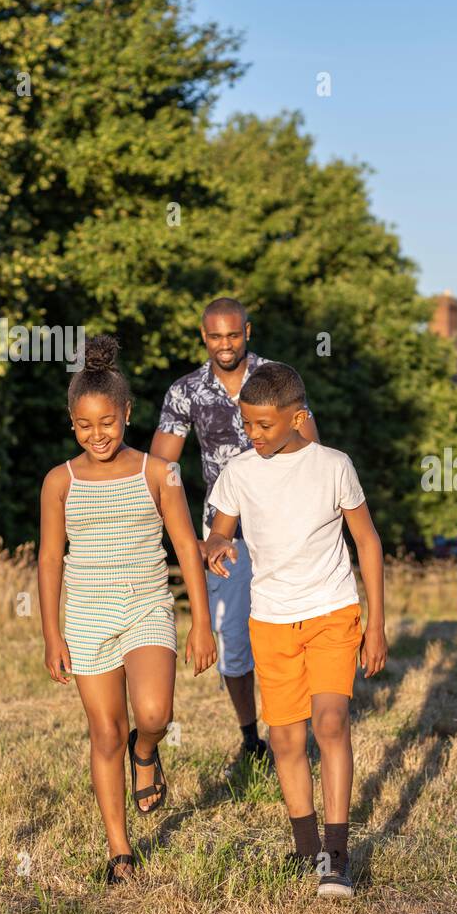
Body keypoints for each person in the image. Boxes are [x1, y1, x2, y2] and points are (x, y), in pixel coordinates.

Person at [39, 334, 217, 884]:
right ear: (73, 422)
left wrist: (201, 623)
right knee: (104, 733)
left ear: (127, 414)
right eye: (86, 425)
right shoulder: (58, 482)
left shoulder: (158, 472)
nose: (99, 435)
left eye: (108, 422)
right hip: (88, 618)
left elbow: (188, 547)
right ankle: (120, 851)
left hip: (147, 607)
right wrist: (52, 635)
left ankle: (148, 752)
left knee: (153, 714)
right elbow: (49, 561)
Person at [204, 361, 386, 898]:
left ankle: (336, 854)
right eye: (248, 424)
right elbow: (220, 532)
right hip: (271, 619)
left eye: (265, 425)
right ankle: (304, 848)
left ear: (297, 417)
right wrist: (216, 547)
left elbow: (368, 542)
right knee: (284, 739)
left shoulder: (333, 465)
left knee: (330, 723)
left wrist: (375, 625)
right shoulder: (237, 472)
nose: (254, 435)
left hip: (332, 611)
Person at [151, 297, 322, 775]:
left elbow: (312, 446)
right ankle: (252, 739)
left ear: (248, 330)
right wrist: (185, 534)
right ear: (203, 337)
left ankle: (290, 728)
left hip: (282, 523)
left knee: (288, 625)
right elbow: (162, 468)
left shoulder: (277, 379)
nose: (225, 345)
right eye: (215, 337)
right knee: (231, 638)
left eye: (233, 335)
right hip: (222, 531)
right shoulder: (185, 391)